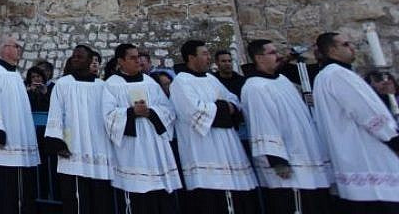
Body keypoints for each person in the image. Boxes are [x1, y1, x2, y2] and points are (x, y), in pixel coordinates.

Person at [241, 39, 332, 214]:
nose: (279, 56)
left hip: (306, 155)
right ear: (259, 58)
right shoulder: (254, 87)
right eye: (273, 53)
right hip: (287, 163)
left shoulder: (283, 80)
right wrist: (277, 160)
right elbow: (263, 123)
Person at [313, 31, 399, 211]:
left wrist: (379, 95)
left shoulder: (324, 76)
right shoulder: (338, 74)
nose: (352, 48)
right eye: (345, 44)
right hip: (369, 160)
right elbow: (365, 112)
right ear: (331, 50)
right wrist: (392, 138)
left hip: (350, 160)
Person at [169, 40, 257, 214]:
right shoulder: (181, 82)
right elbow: (195, 111)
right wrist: (224, 107)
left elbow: (234, 101)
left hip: (229, 148)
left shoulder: (211, 79)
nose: (209, 58)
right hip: (203, 151)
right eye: (204, 54)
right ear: (191, 57)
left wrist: (222, 107)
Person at [103, 43, 181, 214]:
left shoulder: (150, 82)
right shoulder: (111, 84)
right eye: (132, 58)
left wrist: (151, 112)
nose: (137, 61)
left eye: (138, 57)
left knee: (161, 198)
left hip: (155, 147)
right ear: (120, 61)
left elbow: (167, 109)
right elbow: (107, 116)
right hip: (131, 149)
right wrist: (131, 112)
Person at [45, 44, 113, 214]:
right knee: (75, 202)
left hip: (99, 150)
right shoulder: (63, 84)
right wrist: (57, 142)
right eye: (74, 56)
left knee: (100, 201)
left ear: (90, 61)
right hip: (72, 149)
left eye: (80, 57)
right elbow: (56, 113)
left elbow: (111, 115)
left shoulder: (102, 86)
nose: (75, 59)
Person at [0, 36, 40, 214]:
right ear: (5, 49)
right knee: (4, 193)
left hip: (18, 142)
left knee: (19, 192)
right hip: (4, 144)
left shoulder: (14, 74)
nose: (19, 50)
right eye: (16, 46)